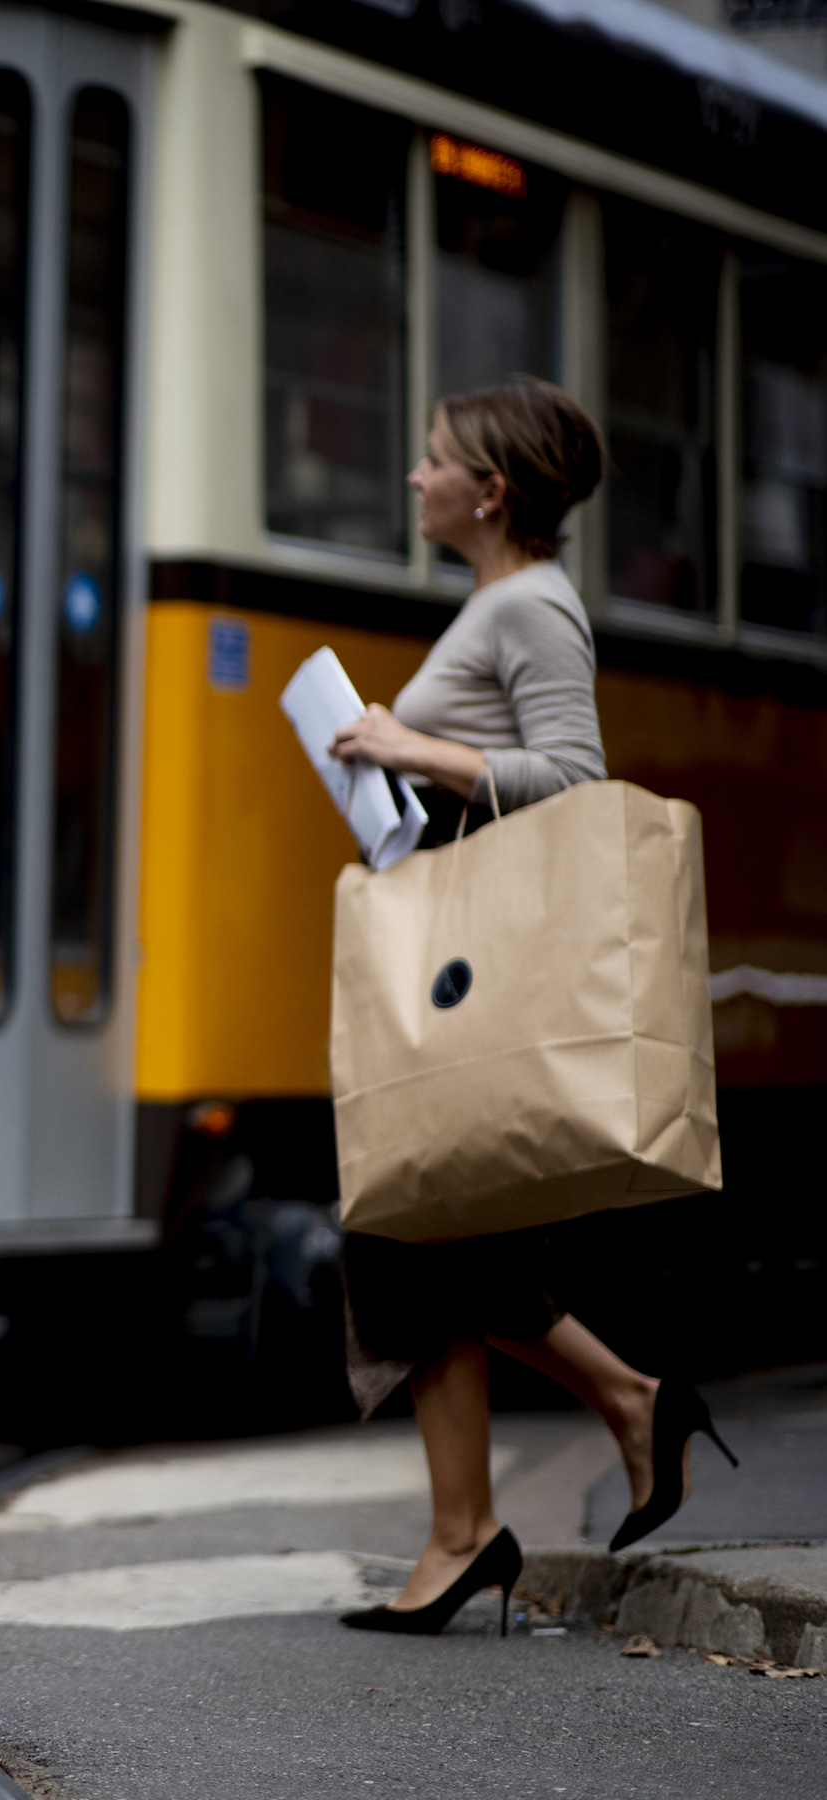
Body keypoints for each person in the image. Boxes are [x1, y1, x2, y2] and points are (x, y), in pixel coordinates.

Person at [325, 376, 734, 1636]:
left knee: (405, 1229)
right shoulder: (499, 602)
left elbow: (574, 779)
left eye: (434, 458)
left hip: (478, 980)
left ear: (489, 491)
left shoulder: (534, 609)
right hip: (456, 972)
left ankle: (474, 1526)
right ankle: (615, 1417)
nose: (416, 475)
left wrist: (408, 749)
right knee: (434, 1235)